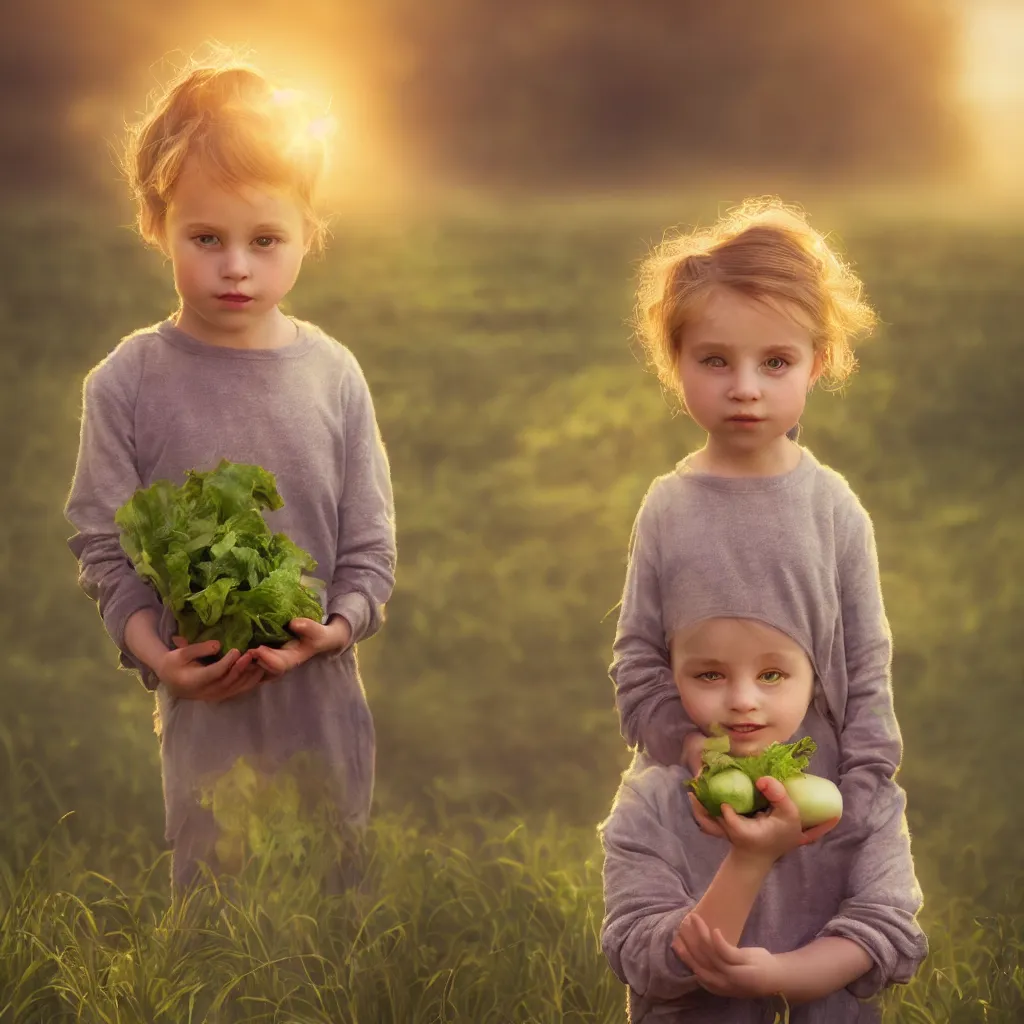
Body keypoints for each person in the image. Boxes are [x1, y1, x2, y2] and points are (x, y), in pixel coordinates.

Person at [64, 51, 397, 891]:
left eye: (266, 239)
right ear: (157, 224)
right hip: (203, 694)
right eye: (205, 238)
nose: (237, 266)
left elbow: (370, 549)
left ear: (309, 232)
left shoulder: (334, 374)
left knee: (330, 898)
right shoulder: (127, 382)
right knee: (217, 904)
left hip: (321, 693)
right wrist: (158, 655)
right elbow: (105, 551)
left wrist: (340, 625)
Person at [610, 197, 900, 839]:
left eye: (775, 362)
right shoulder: (668, 506)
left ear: (815, 364)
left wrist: (860, 793)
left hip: (814, 798)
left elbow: (867, 661)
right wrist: (685, 748)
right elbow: (638, 655)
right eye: (715, 360)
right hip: (702, 799)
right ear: (674, 361)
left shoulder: (833, 509)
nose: (746, 386)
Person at [600, 615, 927, 1022]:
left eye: (771, 674)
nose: (742, 699)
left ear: (816, 678)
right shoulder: (650, 801)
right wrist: (750, 859)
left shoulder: (858, 793)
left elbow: (884, 925)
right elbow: (643, 958)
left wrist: (779, 975)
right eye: (710, 674)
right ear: (671, 678)